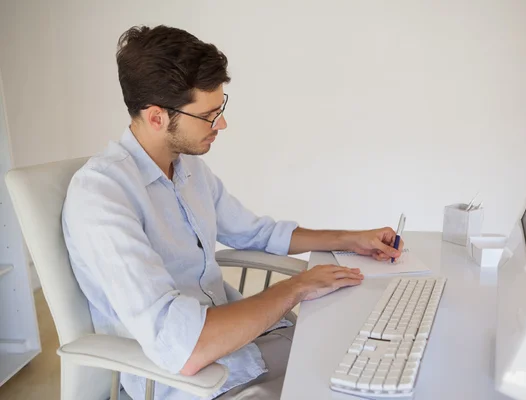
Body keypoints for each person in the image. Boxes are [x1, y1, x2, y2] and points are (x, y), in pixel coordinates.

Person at [62, 24, 403, 400]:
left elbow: (257, 233)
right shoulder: (101, 195)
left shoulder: (189, 169)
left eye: (220, 108)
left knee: (372, 359)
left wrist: (351, 239)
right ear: (157, 117)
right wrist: (297, 288)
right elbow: (183, 347)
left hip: (244, 348)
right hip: (189, 384)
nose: (221, 124)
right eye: (209, 115)